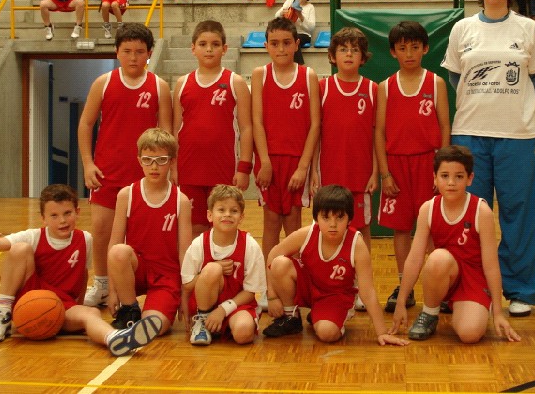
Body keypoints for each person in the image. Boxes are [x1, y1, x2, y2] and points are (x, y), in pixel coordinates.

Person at [441, 0, 535, 318]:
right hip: (470, 135)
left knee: (520, 215)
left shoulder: (528, 28)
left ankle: (520, 289)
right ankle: (464, 288)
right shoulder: (462, 29)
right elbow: (456, 79)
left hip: (517, 137)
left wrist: (515, 107)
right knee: (465, 216)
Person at [0, 184, 161, 356]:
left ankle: (115, 339)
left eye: (67, 213)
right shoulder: (34, 236)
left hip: (62, 307)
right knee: (19, 248)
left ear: (77, 212)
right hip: (29, 303)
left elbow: (82, 276)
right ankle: (2, 315)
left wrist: (77, 306)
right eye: (54, 216)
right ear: (43, 219)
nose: (62, 220)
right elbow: (4, 243)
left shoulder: (85, 239)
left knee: (91, 313)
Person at [78, 23, 172, 307]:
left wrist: (167, 171)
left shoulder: (159, 86)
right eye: (127, 51)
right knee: (102, 230)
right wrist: (87, 164)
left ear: (149, 54)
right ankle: (103, 284)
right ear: (117, 52)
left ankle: (142, 285)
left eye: (140, 51)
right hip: (107, 171)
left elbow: (167, 134)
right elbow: (85, 124)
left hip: (146, 175)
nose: (133, 57)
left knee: (143, 235)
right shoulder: (103, 82)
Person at [390, 146, 520, 343]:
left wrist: (499, 311)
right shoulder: (428, 209)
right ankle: (430, 312)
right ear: (435, 178)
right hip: (444, 272)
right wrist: (401, 302)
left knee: (470, 335)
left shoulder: (481, 211)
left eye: (459, 176)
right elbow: (415, 259)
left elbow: (491, 265)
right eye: (444, 176)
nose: (451, 182)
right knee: (437, 258)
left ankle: (474, 306)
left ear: (470, 178)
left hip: (473, 278)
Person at [262, 184, 409, 346]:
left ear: (349, 219)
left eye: (339, 217)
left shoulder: (357, 244)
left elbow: (368, 292)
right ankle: (291, 317)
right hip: (309, 287)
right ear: (316, 218)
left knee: (327, 333)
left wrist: (381, 332)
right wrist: (272, 295)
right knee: (280, 263)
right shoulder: (306, 234)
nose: (333, 224)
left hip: (335, 296)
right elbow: (272, 256)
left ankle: (328, 317)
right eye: (326, 217)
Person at [375, 21, 450, 313]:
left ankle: (438, 286)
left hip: (428, 163)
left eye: (415, 47)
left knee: (433, 229)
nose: (409, 53)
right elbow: (379, 132)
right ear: (393, 52)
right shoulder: (385, 87)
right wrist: (384, 173)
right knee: (401, 229)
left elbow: (445, 125)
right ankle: (404, 285)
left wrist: (441, 170)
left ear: (425, 49)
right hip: (397, 166)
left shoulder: (435, 83)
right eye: (403, 48)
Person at [311, 27, 378, 310]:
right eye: (343, 49)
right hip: (329, 175)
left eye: (354, 50)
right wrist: (314, 170)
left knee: (361, 232)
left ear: (363, 57)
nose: (349, 54)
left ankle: (361, 288)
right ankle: (325, 287)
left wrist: (376, 171)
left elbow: (378, 134)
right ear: (332, 56)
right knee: (325, 231)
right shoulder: (322, 88)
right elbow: (315, 132)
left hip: (361, 175)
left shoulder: (374, 89)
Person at [106, 128, 191, 341]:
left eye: (161, 160)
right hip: (137, 269)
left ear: (172, 161)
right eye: (148, 160)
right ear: (139, 160)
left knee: (156, 326)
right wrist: (112, 289)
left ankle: (146, 315)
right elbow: (114, 243)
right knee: (119, 251)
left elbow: (185, 253)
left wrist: (185, 294)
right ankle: (130, 309)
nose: (154, 166)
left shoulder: (181, 201)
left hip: (166, 276)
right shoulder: (127, 195)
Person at [173, 20, 253, 236]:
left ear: (225, 49)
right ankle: (196, 270)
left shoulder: (235, 82)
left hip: (223, 169)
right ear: (193, 48)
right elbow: (174, 129)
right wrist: (173, 166)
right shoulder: (182, 83)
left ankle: (222, 269)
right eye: (203, 44)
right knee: (194, 228)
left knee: (223, 226)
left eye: (215, 44)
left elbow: (246, 128)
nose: (209, 49)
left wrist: (244, 168)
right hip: (189, 168)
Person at [251, 17, 320, 263]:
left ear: (296, 44)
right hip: (268, 159)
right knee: (270, 222)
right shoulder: (260, 74)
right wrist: (265, 162)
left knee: (293, 222)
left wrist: (304, 167)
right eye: (275, 43)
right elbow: (256, 121)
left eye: (286, 43)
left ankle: (293, 282)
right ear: (266, 45)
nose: (281, 49)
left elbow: (315, 125)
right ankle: (269, 286)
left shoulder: (308, 75)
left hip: (296, 161)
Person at [181, 185, 266, 345]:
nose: (227, 214)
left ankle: (222, 325)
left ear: (241, 217)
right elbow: (187, 285)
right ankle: (203, 321)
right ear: (210, 215)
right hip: (205, 303)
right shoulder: (199, 244)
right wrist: (214, 268)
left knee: (243, 334)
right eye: (221, 209)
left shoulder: (250, 245)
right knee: (213, 269)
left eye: (233, 211)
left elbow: (251, 292)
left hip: (237, 305)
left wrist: (223, 310)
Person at [275, 0, 316, 65]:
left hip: (304, 34)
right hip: (290, 32)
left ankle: (298, 65)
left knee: (294, 40)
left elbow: (311, 28)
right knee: (289, 38)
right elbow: (276, 16)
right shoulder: (290, 1)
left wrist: (300, 16)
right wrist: (283, 13)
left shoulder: (310, 7)